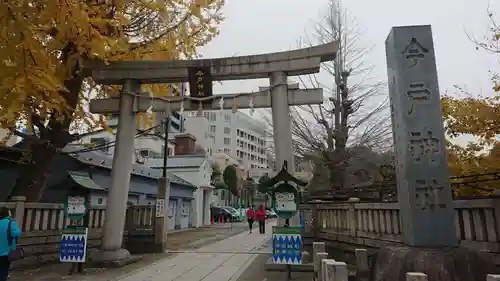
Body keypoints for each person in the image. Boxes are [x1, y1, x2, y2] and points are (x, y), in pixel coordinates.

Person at [0, 207, 21, 281]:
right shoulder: (11, 223)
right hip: (6, 252)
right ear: (8, 213)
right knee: (3, 271)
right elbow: (17, 233)